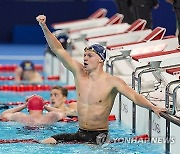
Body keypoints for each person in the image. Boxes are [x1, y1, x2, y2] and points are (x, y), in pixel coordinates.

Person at [36, 15, 166, 144]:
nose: (85, 58)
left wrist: (153, 107)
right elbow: (58, 49)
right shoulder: (79, 73)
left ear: (100, 59)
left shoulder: (112, 82)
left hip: (99, 136)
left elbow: (134, 96)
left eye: (89, 56)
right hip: (79, 133)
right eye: (84, 55)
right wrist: (44, 27)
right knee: (47, 142)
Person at [0, 94, 65, 126]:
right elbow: (63, 113)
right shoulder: (51, 116)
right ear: (42, 108)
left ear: (28, 108)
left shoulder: (20, 116)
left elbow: (3, 115)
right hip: (45, 132)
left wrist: (24, 105)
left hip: (27, 133)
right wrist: (44, 105)